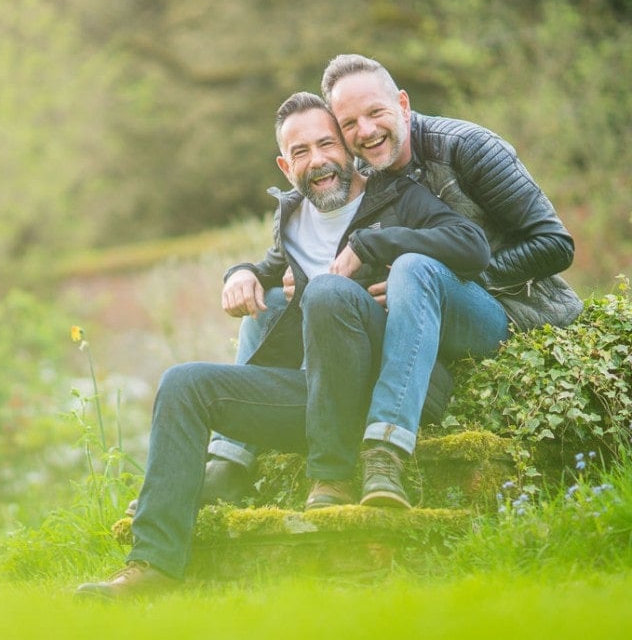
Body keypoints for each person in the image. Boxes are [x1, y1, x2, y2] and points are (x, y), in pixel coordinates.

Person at [76, 91, 492, 599]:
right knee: (183, 383)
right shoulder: (293, 218)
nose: (316, 160)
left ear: (348, 146)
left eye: (326, 144)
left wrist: (377, 248)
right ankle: (152, 565)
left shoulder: (401, 198)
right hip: (319, 398)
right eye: (300, 152)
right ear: (284, 164)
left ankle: (331, 477)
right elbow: (271, 265)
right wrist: (242, 273)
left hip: (398, 386)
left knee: (330, 290)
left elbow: (471, 245)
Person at [202, 54, 581, 504]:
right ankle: (227, 460)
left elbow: (556, 245)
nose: (365, 131)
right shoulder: (359, 173)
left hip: (506, 309)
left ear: (402, 103)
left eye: (375, 113)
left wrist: (440, 284)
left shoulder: (467, 147)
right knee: (273, 297)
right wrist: (243, 272)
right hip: (410, 314)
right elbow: (296, 253)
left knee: (415, 267)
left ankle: (385, 449)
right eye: (349, 123)